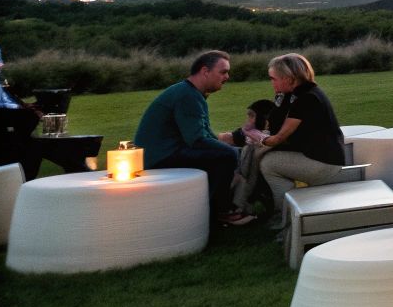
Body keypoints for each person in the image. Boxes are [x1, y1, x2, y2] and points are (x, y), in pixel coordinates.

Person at [133, 50, 254, 226]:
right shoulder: (187, 95)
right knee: (227, 156)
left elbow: (205, 135)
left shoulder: (191, 93)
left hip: (169, 151)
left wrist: (238, 138)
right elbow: (197, 140)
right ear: (205, 71)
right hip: (160, 157)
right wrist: (230, 150)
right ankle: (216, 212)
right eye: (223, 72)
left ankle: (234, 204)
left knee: (233, 152)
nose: (227, 76)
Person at [255, 53, 348, 229]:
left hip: (324, 163)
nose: (271, 83)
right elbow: (275, 124)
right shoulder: (298, 95)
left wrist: (260, 141)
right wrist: (279, 100)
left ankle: (285, 214)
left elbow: (279, 137)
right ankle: (285, 209)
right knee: (262, 157)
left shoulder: (306, 99)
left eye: (273, 78)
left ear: (289, 78)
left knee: (267, 162)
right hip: (322, 157)